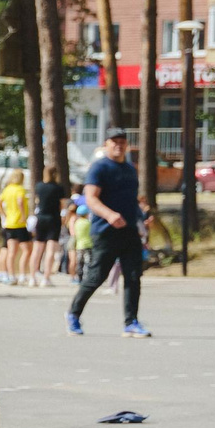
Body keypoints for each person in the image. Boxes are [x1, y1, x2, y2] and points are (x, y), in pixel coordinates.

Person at [67, 128, 151, 337]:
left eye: (122, 141)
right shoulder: (99, 168)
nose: (118, 145)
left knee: (133, 277)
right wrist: (109, 215)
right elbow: (91, 199)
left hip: (129, 230)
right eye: (114, 141)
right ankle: (73, 314)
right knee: (96, 276)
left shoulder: (130, 169)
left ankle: (131, 322)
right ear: (106, 144)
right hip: (105, 232)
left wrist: (141, 222)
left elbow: (131, 200)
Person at [30, 168, 67, 288]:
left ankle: (32, 277)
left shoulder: (39, 186)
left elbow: (37, 200)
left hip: (40, 218)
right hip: (53, 218)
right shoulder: (58, 188)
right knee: (50, 249)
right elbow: (62, 204)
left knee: (37, 248)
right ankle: (46, 277)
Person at [0, 170, 32, 286]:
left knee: (11, 252)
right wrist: (23, 215)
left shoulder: (7, 189)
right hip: (19, 224)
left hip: (9, 223)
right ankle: (22, 274)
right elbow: (20, 202)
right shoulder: (19, 189)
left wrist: (3, 213)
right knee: (27, 250)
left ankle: (11, 275)